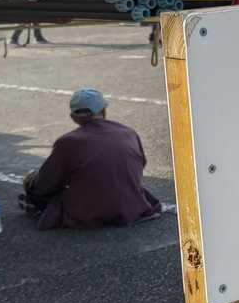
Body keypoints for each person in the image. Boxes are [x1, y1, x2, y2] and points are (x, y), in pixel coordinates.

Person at [21, 88, 163, 230]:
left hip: (89, 210)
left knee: (34, 182)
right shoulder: (128, 132)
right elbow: (141, 164)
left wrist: (32, 182)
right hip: (131, 205)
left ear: (74, 117)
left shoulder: (68, 142)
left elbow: (46, 182)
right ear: (103, 111)